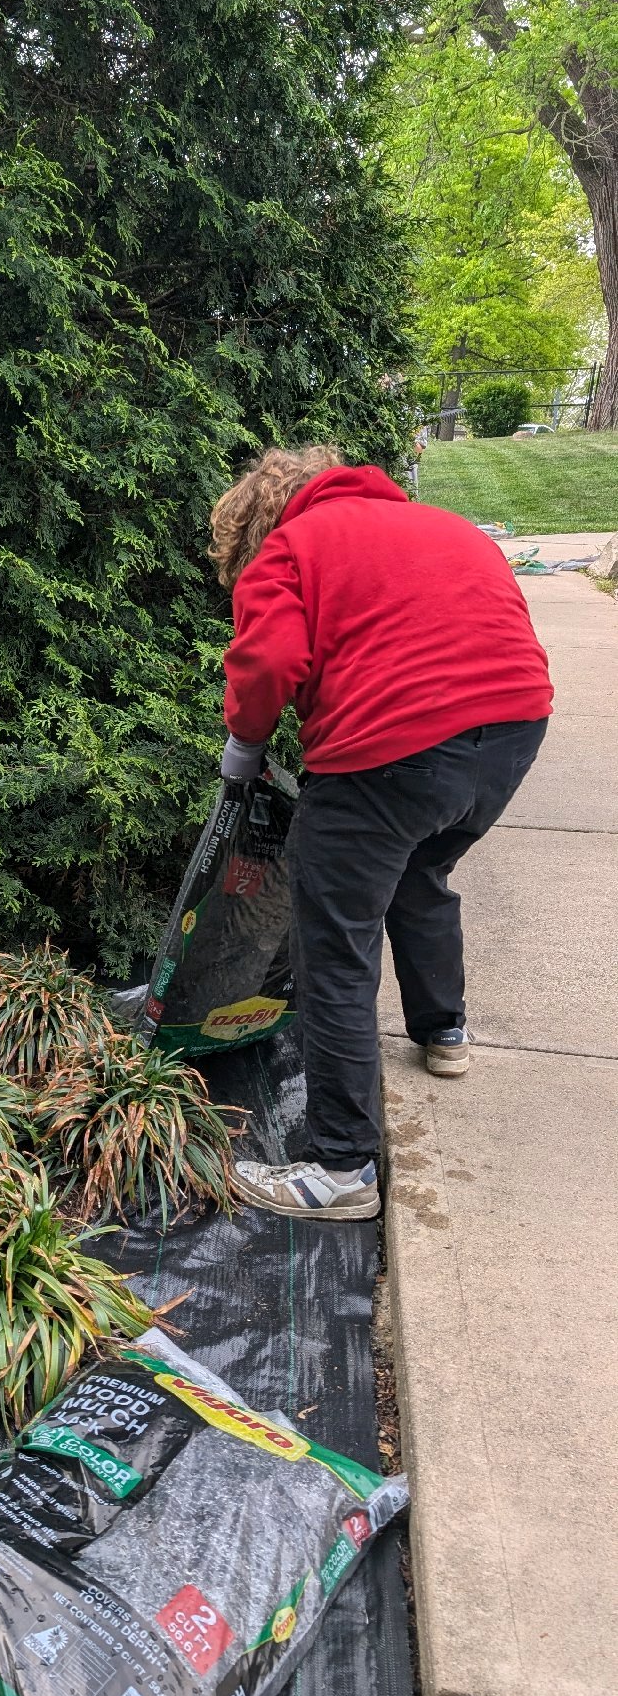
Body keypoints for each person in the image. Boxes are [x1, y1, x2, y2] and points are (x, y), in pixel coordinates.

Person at [210, 445, 552, 1221]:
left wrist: (243, 749)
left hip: (390, 754)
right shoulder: (448, 527)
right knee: (420, 874)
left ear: (259, 520)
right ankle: (444, 1033)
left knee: (337, 945)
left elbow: (269, 662)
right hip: (512, 734)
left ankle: (340, 1168)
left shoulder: (291, 547)